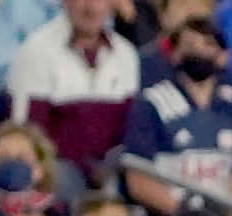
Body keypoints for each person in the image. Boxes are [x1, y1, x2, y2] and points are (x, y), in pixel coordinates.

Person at [122, 16, 232, 216]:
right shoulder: (152, 104)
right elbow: (139, 181)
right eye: (190, 45)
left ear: (224, 55)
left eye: (208, 45)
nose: (199, 52)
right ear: (175, 54)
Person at [9, 0, 143, 183]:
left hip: (113, 171)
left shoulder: (126, 54)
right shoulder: (36, 52)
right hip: (59, 171)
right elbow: (27, 135)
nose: (91, 8)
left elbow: (131, 129)